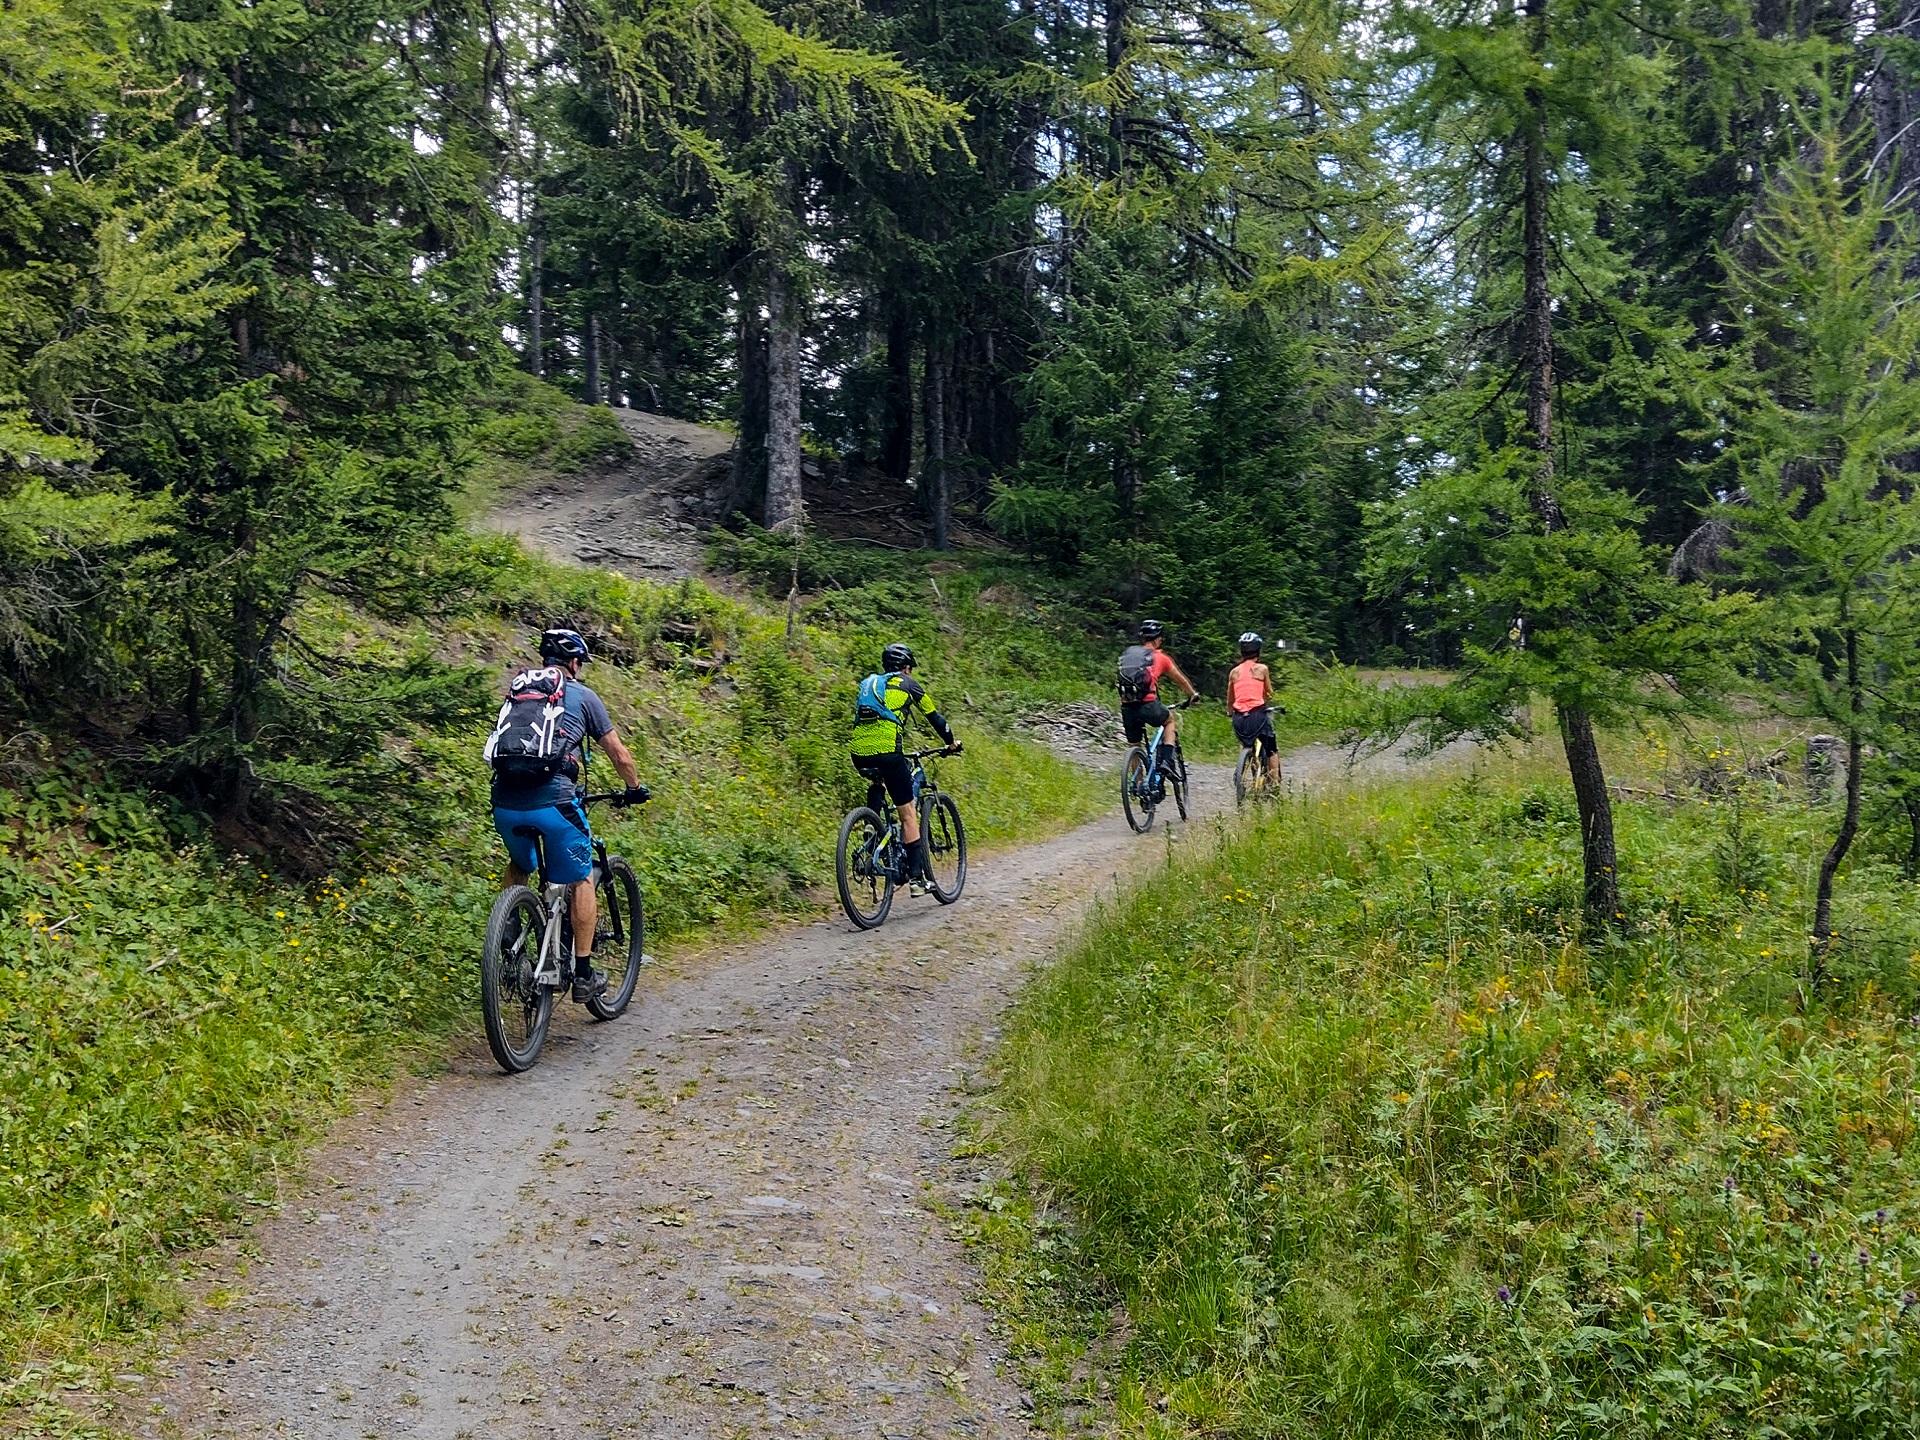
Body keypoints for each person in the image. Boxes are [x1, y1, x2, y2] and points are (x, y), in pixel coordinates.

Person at [486, 628, 648, 1003]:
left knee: (520, 861)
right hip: (556, 803)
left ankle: (509, 930)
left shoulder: (519, 696)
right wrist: (635, 788)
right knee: (581, 879)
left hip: (505, 804)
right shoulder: (583, 697)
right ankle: (585, 975)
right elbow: (619, 754)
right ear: (574, 662)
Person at [849, 642, 961, 894]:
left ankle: (871, 826)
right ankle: (916, 880)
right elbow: (936, 720)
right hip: (889, 753)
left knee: (879, 781)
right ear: (906, 668)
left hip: (859, 753)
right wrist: (951, 743)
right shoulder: (909, 685)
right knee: (908, 814)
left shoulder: (871, 684)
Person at [1117, 620, 1197, 779]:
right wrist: (1192, 695)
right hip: (1148, 705)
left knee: (1134, 745)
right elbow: (1180, 679)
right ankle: (1167, 761)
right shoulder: (1160, 657)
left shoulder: (1129, 656)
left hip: (1127, 706)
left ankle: (1139, 786)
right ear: (1157, 639)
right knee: (1169, 721)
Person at [1227, 631, 1282, 787]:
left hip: (1239, 717)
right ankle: (1275, 784)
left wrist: (1230, 712)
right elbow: (1269, 692)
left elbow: (1230, 699)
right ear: (1258, 651)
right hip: (1258, 714)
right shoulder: (1262, 669)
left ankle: (1243, 770)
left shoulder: (1234, 672)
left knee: (1245, 744)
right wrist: (1268, 696)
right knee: (1271, 748)